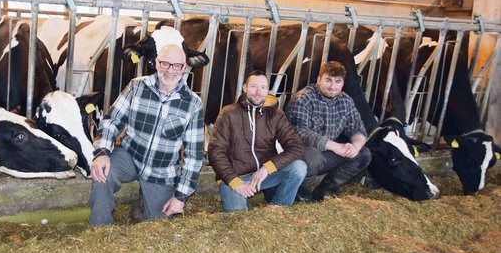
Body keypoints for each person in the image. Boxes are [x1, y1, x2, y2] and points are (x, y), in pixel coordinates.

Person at [89, 43, 204, 226]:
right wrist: (102, 152)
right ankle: (100, 230)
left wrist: (181, 196)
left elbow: (194, 156)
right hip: (130, 155)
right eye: (165, 63)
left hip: (161, 170)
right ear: (156, 63)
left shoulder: (193, 103)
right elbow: (112, 120)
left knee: (159, 227)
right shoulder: (137, 86)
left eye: (176, 66)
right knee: (102, 174)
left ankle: (142, 205)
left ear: (184, 68)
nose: (170, 71)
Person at [208, 70, 307, 212]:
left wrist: (268, 168)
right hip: (237, 177)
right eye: (253, 86)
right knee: (237, 214)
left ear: (268, 90)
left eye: (263, 87)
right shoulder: (229, 113)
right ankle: (237, 194)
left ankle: (278, 207)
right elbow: (215, 151)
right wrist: (235, 182)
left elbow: (296, 147)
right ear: (244, 88)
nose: (258, 92)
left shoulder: (276, 115)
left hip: (264, 175)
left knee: (299, 167)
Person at [285, 61, 371, 201]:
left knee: (363, 153)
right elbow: (299, 132)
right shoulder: (304, 98)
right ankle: (302, 194)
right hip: (301, 153)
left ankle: (325, 190)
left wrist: (355, 147)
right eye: (328, 80)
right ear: (319, 80)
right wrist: (335, 146)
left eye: (338, 81)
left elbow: (357, 127)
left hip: (327, 153)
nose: (332, 86)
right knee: (313, 156)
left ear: (343, 83)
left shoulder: (346, 101)